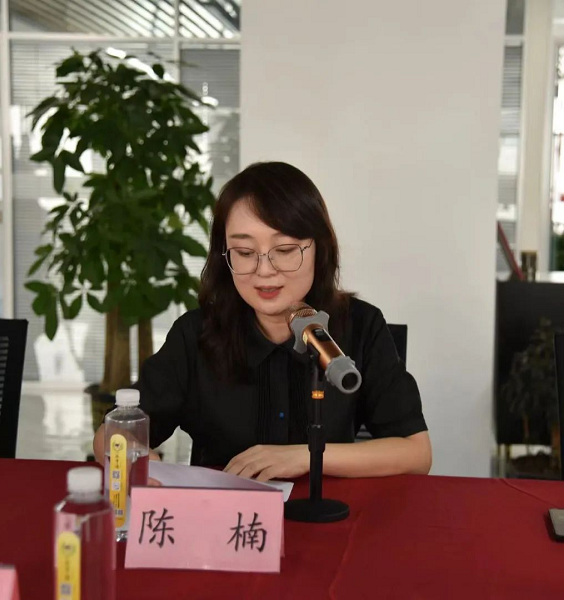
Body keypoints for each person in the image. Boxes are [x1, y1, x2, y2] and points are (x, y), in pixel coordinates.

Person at [93, 162, 431, 481]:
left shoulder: (362, 325)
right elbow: (112, 433)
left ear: (320, 249)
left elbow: (416, 453)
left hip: (327, 513)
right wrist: (148, 470)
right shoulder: (195, 334)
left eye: (285, 250)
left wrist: (305, 456)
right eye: (244, 253)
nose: (264, 270)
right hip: (224, 516)